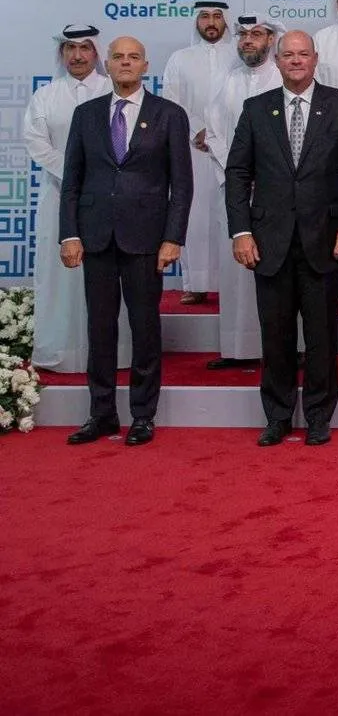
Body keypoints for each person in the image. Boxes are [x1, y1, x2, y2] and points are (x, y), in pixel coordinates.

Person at [225, 31, 338, 447]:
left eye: (303, 54)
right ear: (277, 61)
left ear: (316, 59)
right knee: (274, 334)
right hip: (268, 242)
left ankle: (318, 415)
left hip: (327, 241)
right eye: (288, 55)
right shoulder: (256, 109)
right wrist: (241, 231)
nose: (295, 61)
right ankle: (277, 415)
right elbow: (237, 172)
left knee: (322, 334)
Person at [58, 37, 192, 446]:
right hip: (95, 237)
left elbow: (182, 185)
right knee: (99, 330)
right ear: (108, 64)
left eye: (133, 57)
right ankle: (100, 414)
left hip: (146, 239)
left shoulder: (168, 114)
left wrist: (173, 238)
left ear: (145, 65)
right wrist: (69, 233)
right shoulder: (86, 114)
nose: (126, 63)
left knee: (144, 327)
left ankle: (142, 415)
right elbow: (72, 182)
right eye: (118, 57)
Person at [23, 25, 123, 373]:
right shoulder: (46, 96)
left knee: (107, 275)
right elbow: (37, 144)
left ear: (97, 54)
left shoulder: (114, 91)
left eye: (85, 48)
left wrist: (97, 178)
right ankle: (60, 351)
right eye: (70, 49)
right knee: (60, 276)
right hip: (58, 197)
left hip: (109, 199)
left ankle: (111, 354)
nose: (77, 56)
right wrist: (76, 174)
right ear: (61, 53)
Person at [203, 14, 284, 369]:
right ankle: (238, 349)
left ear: (271, 40)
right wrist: (238, 172)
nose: (249, 40)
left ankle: (284, 349)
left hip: (280, 192)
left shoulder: (285, 78)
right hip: (236, 188)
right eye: (244, 35)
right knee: (237, 269)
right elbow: (213, 133)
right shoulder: (229, 81)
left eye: (257, 34)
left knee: (279, 270)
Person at [161, 0, 235, 305]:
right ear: (197, 22)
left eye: (217, 16)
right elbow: (171, 101)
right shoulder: (180, 59)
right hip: (194, 149)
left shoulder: (238, 55)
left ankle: (232, 280)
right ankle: (197, 282)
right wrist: (196, 129)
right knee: (195, 214)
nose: (211, 22)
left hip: (232, 147)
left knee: (230, 213)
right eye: (205, 16)